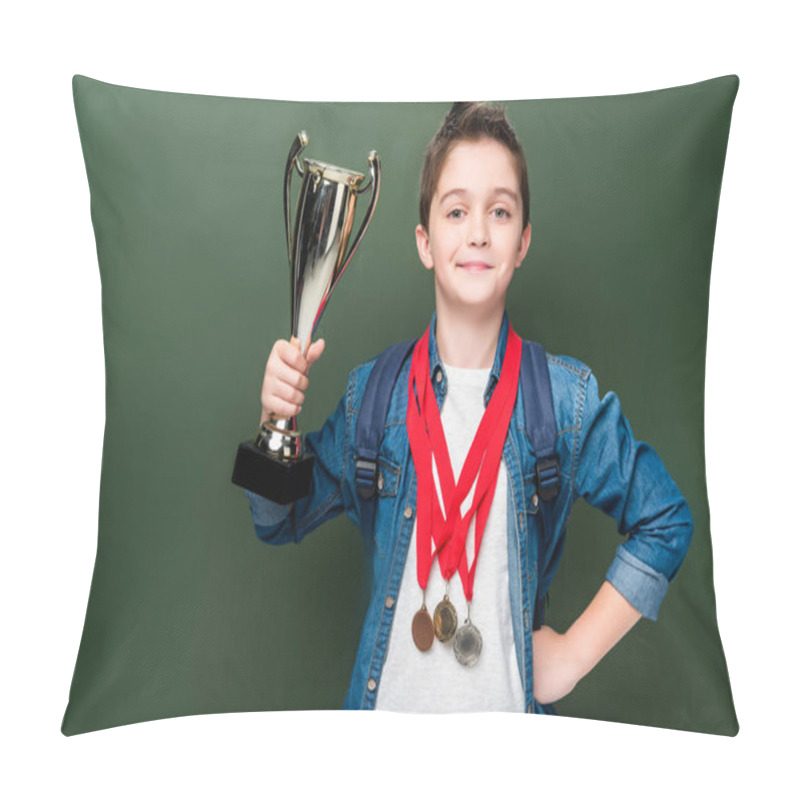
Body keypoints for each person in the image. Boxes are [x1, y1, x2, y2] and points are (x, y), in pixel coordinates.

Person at [244, 102, 693, 713]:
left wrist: (573, 656)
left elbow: (665, 518)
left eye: (500, 211)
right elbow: (276, 523)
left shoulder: (564, 401)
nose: (478, 231)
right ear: (426, 242)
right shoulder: (372, 396)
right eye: (456, 210)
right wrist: (277, 423)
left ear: (523, 240)